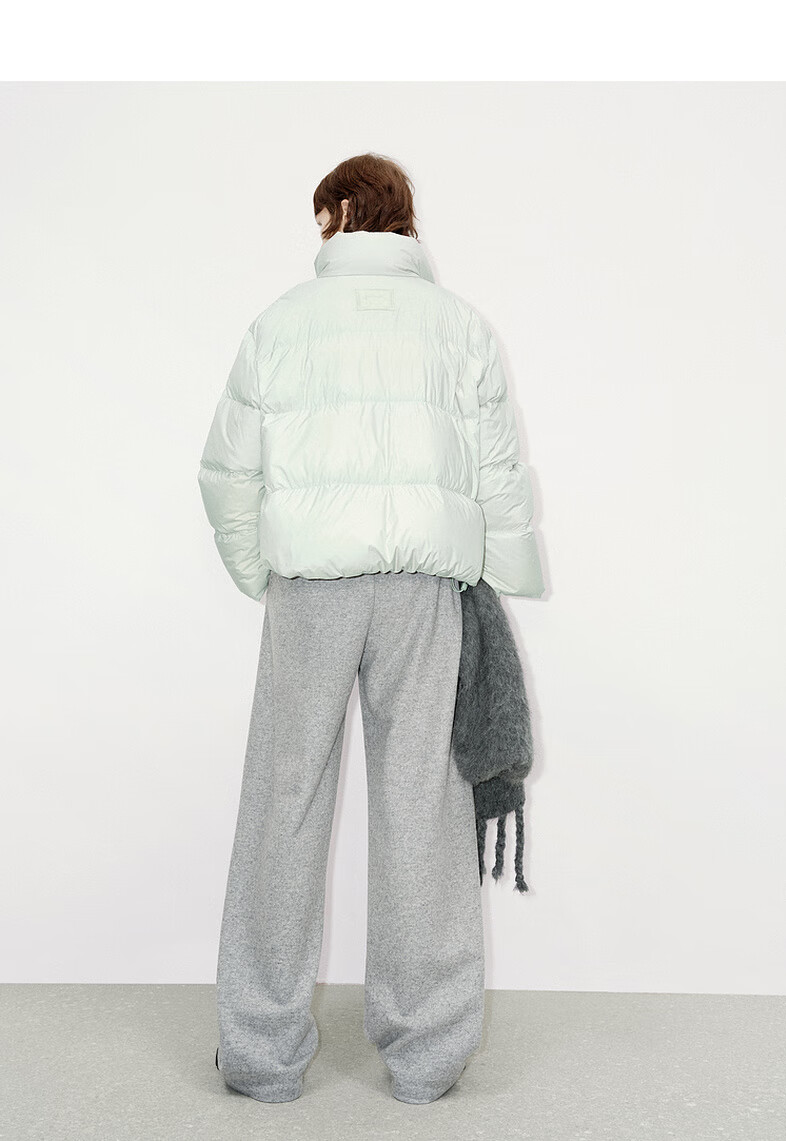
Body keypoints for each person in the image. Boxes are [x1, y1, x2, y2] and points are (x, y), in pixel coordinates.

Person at [197, 152, 545, 1105]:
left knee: (284, 801)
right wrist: (499, 574)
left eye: (322, 213)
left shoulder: (280, 322)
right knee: (424, 808)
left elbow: (226, 472)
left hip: (312, 587)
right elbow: (499, 473)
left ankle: (261, 1052)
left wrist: (261, 571)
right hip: (423, 587)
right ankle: (427, 1055)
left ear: (343, 213)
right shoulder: (459, 325)